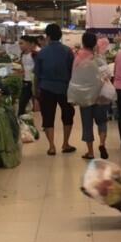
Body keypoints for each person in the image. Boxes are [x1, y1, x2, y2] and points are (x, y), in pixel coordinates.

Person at [33, 23, 76, 155]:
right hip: (64, 88)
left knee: (48, 116)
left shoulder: (42, 52)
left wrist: (35, 90)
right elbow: (72, 72)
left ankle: (51, 146)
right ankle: (65, 143)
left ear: (48, 36)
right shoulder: (67, 51)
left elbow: (37, 74)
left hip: (46, 88)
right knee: (68, 114)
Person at [74, 32, 112, 160]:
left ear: (83, 43)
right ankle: (101, 144)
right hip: (101, 95)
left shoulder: (79, 58)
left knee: (87, 123)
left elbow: (75, 78)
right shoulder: (101, 58)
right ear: (95, 43)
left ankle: (90, 152)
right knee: (102, 121)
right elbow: (108, 75)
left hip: (86, 96)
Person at [17, 35, 39, 116]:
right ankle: (21, 120)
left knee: (39, 103)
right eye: (19, 43)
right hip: (25, 82)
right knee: (22, 102)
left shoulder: (35, 55)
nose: (20, 45)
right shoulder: (22, 54)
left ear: (29, 44)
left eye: (22, 43)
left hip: (34, 83)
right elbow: (23, 67)